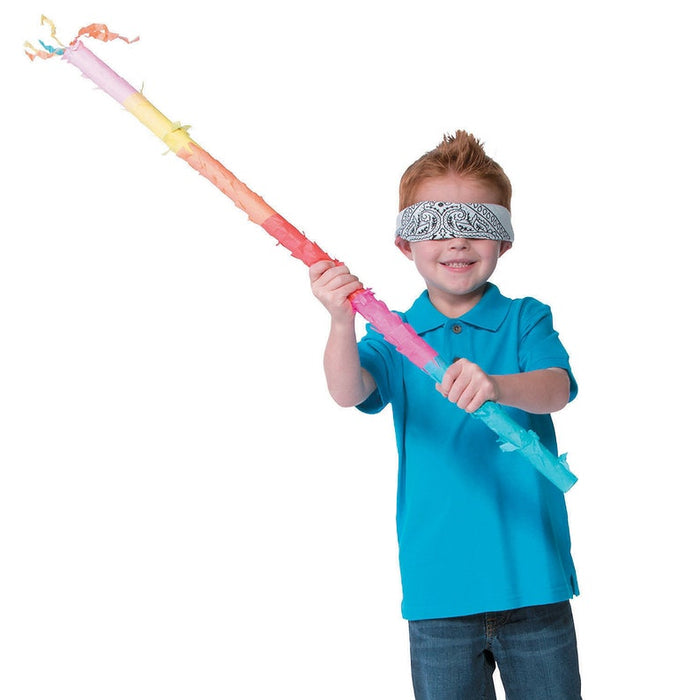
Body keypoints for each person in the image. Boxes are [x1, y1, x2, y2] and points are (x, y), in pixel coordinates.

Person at [309, 131, 581, 699]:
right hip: (438, 589)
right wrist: (340, 320)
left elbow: (556, 389)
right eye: (435, 226)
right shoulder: (393, 334)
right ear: (406, 244)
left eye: (477, 224)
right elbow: (347, 389)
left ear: (504, 241)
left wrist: (498, 384)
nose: (456, 241)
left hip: (533, 579)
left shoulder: (526, 319)